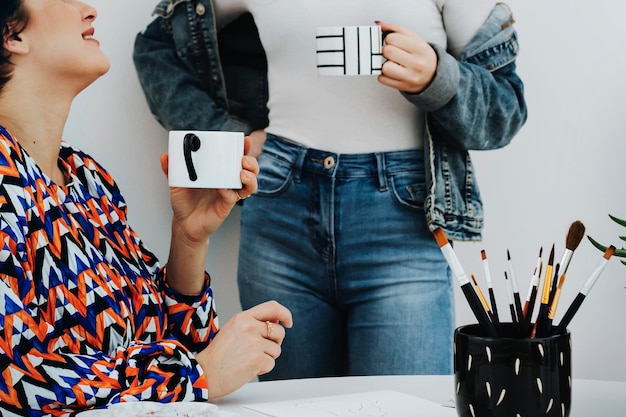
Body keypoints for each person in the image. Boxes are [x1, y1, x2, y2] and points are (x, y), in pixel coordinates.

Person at [133, 0, 527, 380]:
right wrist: (229, 138)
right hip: (279, 217)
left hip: (403, 225)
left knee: (406, 406)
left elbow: (505, 110)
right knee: (295, 410)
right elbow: (158, 44)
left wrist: (439, 78)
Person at [0, 1, 292, 415]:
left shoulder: (86, 177)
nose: (88, 10)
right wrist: (198, 374)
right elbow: (16, 375)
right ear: (12, 35)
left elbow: (169, 348)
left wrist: (189, 238)